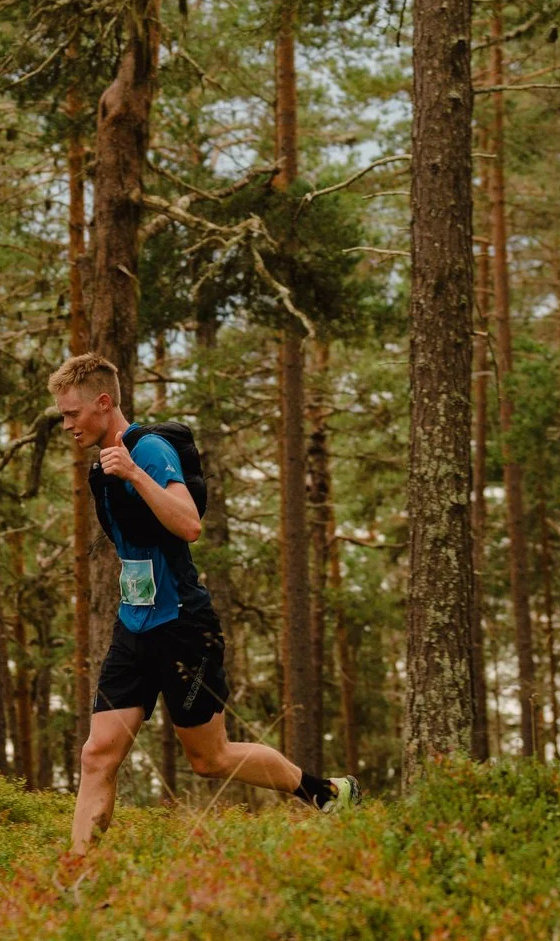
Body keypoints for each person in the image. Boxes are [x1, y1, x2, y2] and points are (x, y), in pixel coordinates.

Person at [50, 351, 352, 861]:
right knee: (97, 753)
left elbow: (189, 524)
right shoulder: (102, 467)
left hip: (182, 626)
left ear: (103, 403)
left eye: (72, 414)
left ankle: (324, 792)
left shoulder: (150, 450)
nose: (66, 425)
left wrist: (135, 474)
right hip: (134, 626)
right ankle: (77, 871)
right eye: (62, 416)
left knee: (209, 759)